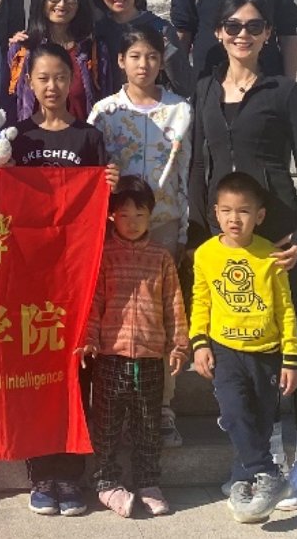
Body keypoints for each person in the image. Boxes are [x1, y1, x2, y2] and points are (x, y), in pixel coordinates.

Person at [188, 0, 297, 515]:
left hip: (279, 237)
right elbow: (198, 163)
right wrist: (204, 233)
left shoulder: (283, 90)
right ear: (218, 33)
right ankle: (262, 462)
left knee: (295, 342)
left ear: (268, 34)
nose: (242, 34)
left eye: (253, 26)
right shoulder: (205, 89)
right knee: (240, 354)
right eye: (232, 25)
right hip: (226, 239)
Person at [10, 42, 119, 517]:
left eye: (60, 77)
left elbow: (101, 208)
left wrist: (109, 186)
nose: (52, 86)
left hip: (76, 276)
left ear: (73, 81)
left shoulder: (88, 138)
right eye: (43, 78)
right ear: (28, 83)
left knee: (77, 372)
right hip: (29, 276)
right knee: (35, 374)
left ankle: (72, 474)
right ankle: (41, 473)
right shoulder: (17, 139)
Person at [88, 19, 193, 447]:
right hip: (115, 227)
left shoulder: (180, 110)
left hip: (162, 225)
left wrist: (184, 229)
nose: (143, 64)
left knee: (161, 315)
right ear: (120, 61)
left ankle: (161, 405)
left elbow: (186, 172)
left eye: (151, 56)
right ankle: (110, 403)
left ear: (162, 61)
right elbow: (91, 172)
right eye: (135, 56)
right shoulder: (105, 113)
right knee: (114, 314)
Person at [191, 172, 297, 525]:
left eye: (243, 211)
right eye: (226, 210)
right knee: (234, 412)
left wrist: (291, 358)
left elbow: (286, 310)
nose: (234, 219)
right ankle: (268, 474)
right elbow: (200, 301)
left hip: (267, 353)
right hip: (225, 350)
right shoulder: (206, 254)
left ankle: (243, 483)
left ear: (259, 215)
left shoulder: (271, 255)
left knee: (259, 423)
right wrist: (199, 343)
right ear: (215, 213)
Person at [83, 175, 188, 518]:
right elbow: (94, 302)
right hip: (110, 356)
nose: (132, 222)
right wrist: (89, 339)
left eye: (140, 215)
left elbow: (174, 304)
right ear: (112, 216)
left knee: (147, 424)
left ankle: (148, 482)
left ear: (151, 216)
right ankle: (107, 482)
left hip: (150, 357)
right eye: (124, 215)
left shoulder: (161, 257)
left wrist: (179, 345)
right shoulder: (104, 255)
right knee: (107, 424)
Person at [5, 0, 108, 124]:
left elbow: (106, 100)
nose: (61, 4)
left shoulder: (93, 50)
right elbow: (12, 102)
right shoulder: (23, 50)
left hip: (82, 137)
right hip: (33, 138)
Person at [89, 0, 191, 99]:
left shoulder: (160, 29)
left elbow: (185, 87)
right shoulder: (96, 31)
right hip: (107, 110)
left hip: (151, 109)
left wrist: (167, 52)